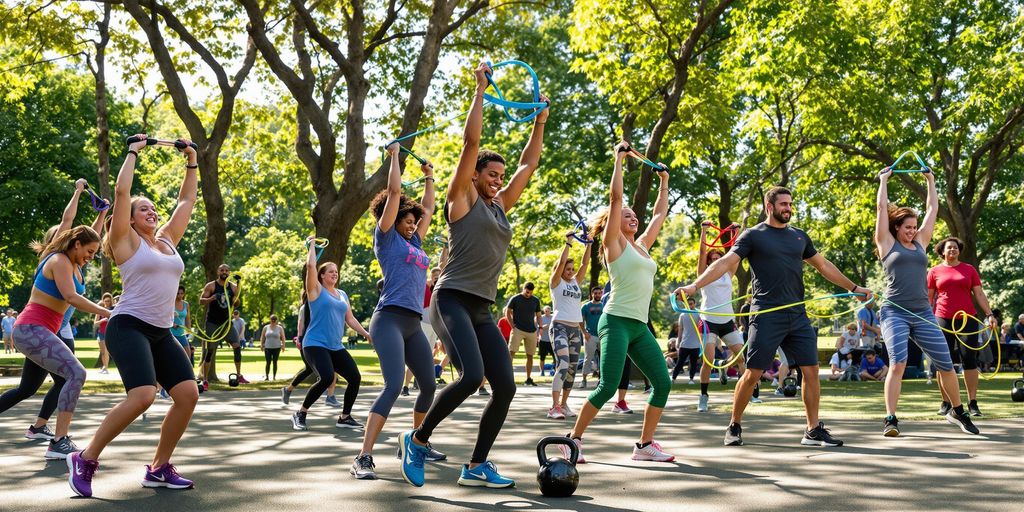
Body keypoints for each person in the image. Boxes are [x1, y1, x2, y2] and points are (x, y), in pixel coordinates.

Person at [399, 61, 548, 489]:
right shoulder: (461, 200)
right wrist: (480, 91)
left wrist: (539, 120)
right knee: (469, 375)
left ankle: (476, 464)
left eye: (501, 176)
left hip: (481, 307)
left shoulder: (501, 206)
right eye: (491, 174)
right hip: (449, 300)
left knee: (504, 385)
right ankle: (417, 438)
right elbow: (471, 141)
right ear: (476, 175)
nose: (499, 181)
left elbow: (528, 166)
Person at [680, 186, 871, 447]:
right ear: (769, 207)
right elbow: (724, 263)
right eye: (783, 204)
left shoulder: (799, 237)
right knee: (753, 373)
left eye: (790, 204)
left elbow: (824, 266)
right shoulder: (753, 236)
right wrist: (694, 287)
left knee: (812, 370)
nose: (788, 208)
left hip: (797, 315)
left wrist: (855, 288)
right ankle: (734, 424)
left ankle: (813, 429)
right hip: (767, 315)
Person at [68, 135, 201, 497]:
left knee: (188, 395)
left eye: (153, 208)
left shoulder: (168, 238)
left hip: (161, 331)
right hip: (128, 326)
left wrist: (192, 161)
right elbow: (123, 192)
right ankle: (86, 457)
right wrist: (132, 152)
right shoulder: (126, 241)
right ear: (128, 218)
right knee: (142, 395)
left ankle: (159, 468)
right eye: (144, 208)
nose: (152, 211)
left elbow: (187, 199)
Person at [561, 141, 674, 464]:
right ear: (614, 221)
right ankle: (573, 441)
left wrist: (664, 182)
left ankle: (644, 445)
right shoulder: (614, 245)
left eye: (634, 215)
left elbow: (659, 213)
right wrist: (618, 161)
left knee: (663, 383)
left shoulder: (642, 247)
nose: (633, 217)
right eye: (626, 215)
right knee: (608, 386)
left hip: (639, 325)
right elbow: (615, 198)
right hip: (616, 321)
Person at [351, 142, 444, 481]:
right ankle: (363, 456)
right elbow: (393, 191)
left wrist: (430, 178)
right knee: (392, 385)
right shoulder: (386, 237)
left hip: (412, 322)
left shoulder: (416, 242)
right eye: (407, 219)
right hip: (388, 319)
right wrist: (394, 158)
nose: (411, 224)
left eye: (412, 221)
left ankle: (418, 442)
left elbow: (429, 210)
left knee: (429, 384)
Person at [873, 167, 979, 436]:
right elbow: (880, 208)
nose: (912, 230)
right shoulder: (886, 242)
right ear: (896, 227)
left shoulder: (920, 242)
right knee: (898, 363)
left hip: (922, 312)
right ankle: (891, 419)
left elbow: (932, 209)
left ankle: (957, 411)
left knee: (946, 364)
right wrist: (884, 180)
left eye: (914, 227)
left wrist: (931, 180)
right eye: (907, 227)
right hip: (894, 311)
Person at [0, 226, 108, 461]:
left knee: (29, 388)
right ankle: (59, 441)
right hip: (31, 329)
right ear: (76, 243)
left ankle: (41, 428)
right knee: (76, 374)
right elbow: (70, 297)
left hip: (41, 332)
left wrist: (101, 214)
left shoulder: (74, 263)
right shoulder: (59, 260)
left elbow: (92, 233)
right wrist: (107, 312)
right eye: (89, 252)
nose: (90, 257)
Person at [291, 240, 371, 432]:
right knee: (326, 378)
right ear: (321, 276)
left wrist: (366, 334)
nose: (335, 274)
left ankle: (344, 417)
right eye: (330, 271)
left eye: (336, 271)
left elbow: (350, 319)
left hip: (335, 346)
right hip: (315, 344)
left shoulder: (342, 294)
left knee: (355, 377)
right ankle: (300, 413)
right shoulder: (315, 290)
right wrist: (312, 246)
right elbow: (310, 265)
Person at [927, 237, 998, 417]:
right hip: (942, 319)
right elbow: (929, 298)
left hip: (968, 319)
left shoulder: (969, 269)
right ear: (942, 251)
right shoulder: (934, 271)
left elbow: (979, 294)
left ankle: (972, 403)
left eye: (956, 248)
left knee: (970, 360)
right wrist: (926, 318)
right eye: (949, 248)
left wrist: (990, 314)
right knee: (943, 362)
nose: (952, 250)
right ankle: (946, 402)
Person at [694, 221, 751, 412]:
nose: (717, 259)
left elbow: (736, 253)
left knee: (741, 359)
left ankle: (748, 395)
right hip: (709, 320)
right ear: (710, 262)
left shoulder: (728, 273)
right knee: (708, 362)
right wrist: (704, 231)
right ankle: (703, 396)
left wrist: (736, 232)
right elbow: (702, 253)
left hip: (727, 320)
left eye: (720, 257)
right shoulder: (704, 274)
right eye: (714, 258)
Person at [546, 228, 591, 419]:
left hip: (574, 329)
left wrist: (588, 245)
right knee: (563, 365)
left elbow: (585, 263)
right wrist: (569, 242)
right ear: (561, 269)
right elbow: (562, 262)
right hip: (559, 327)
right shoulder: (556, 282)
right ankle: (554, 407)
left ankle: (564, 405)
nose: (571, 272)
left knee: (572, 369)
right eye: (567, 269)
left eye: (572, 270)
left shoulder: (575, 282)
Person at [281, 299, 338, 405]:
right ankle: (328, 393)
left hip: (322, 341)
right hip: (307, 342)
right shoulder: (305, 308)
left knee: (313, 369)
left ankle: (329, 394)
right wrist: (300, 338)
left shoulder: (323, 306)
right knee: (311, 369)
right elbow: (300, 324)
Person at [198, 264, 245, 387]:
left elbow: (237, 303)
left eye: (226, 270)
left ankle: (239, 375)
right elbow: (201, 301)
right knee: (210, 351)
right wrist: (211, 298)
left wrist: (236, 298)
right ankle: (206, 380)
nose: (224, 272)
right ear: (218, 272)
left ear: (229, 273)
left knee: (237, 346)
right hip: (212, 323)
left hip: (227, 323)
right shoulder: (211, 285)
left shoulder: (233, 287)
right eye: (222, 270)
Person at [505, 282, 542, 386]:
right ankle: (506, 377)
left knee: (530, 355)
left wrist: (541, 327)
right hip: (518, 329)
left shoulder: (535, 300)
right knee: (511, 352)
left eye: (530, 292)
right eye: (527, 292)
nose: (528, 294)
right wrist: (512, 325)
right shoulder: (515, 298)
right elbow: (507, 312)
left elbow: (539, 315)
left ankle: (528, 378)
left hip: (531, 331)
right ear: (523, 288)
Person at [673, 297, 702, 384]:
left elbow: (702, 327)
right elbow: (680, 329)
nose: (690, 306)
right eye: (688, 304)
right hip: (685, 343)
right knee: (680, 362)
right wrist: (679, 341)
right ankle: (673, 378)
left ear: (694, 304)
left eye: (691, 304)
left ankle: (691, 379)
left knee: (693, 363)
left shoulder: (699, 314)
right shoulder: (682, 315)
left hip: (696, 344)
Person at [579, 287, 603, 388]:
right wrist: (584, 333)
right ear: (592, 294)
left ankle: (601, 380)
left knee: (603, 359)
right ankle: (584, 380)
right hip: (590, 336)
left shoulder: (605, 306)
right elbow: (580, 321)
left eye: (599, 293)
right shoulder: (586, 306)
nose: (597, 295)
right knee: (588, 358)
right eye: (595, 293)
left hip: (602, 336)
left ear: (601, 294)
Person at [170, 286, 193, 365]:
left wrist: (189, 332)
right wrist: (172, 324)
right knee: (172, 356)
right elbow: (163, 317)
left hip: (182, 333)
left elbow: (188, 319)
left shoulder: (186, 304)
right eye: (177, 293)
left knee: (187, 355)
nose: (179, 295)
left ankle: (187, 375)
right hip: (170, 333)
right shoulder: (169, 303)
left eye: (181, 293)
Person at [259, 315, 286, 381]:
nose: (273, 321)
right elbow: (262, 336)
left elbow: (283, 337)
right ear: (270, 320)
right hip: (267, 347)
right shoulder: (266, 327)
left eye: (275, 319)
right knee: (268, 362)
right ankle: (267, 376)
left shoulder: (279, 328)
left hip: (277, 347)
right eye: (272, 319)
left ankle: (274, 377)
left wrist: (283, 345)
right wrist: (261, 345)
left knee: (275, 362)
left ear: (277, 320)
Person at [93, 293, 114, 372]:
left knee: (106, 351)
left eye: (108, 301)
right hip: (101, 333)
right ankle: (104, 367)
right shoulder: (100, 310)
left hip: (109, 332)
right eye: (105, 301)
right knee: (102, 351)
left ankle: (106, 368)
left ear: (111, 301)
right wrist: (103, 320)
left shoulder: (113, 310)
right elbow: (95, 323)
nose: (106, 303)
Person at [537, 306, 554, 378]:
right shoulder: (541, 318)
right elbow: (537, 327)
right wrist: (543, 327)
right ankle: (542, 371)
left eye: (548, 311)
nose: (547, 312)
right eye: (546, 311)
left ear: (550, 311)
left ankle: (554, 370)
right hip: (542, 340)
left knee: (555, 357)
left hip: (551, 340)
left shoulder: (553, 318)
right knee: (542, 357)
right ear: (544, 311)